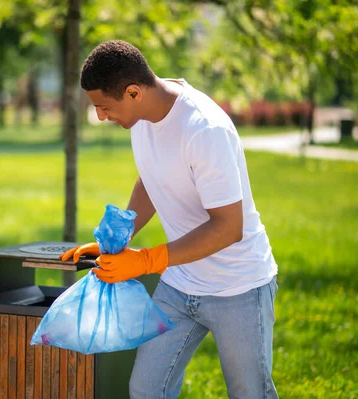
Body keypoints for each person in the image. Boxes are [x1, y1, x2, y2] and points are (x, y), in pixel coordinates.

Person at [60, 40, 279, 399]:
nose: (100, 116)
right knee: (146, 389)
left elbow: (228, 226)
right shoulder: (142, 118)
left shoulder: (204, 130)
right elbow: (151, 177)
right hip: (180, 285)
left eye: (103, 106)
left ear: (133, 92)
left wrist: (145, 261)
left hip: (238, 286)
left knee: (250, 393)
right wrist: (121, 234)